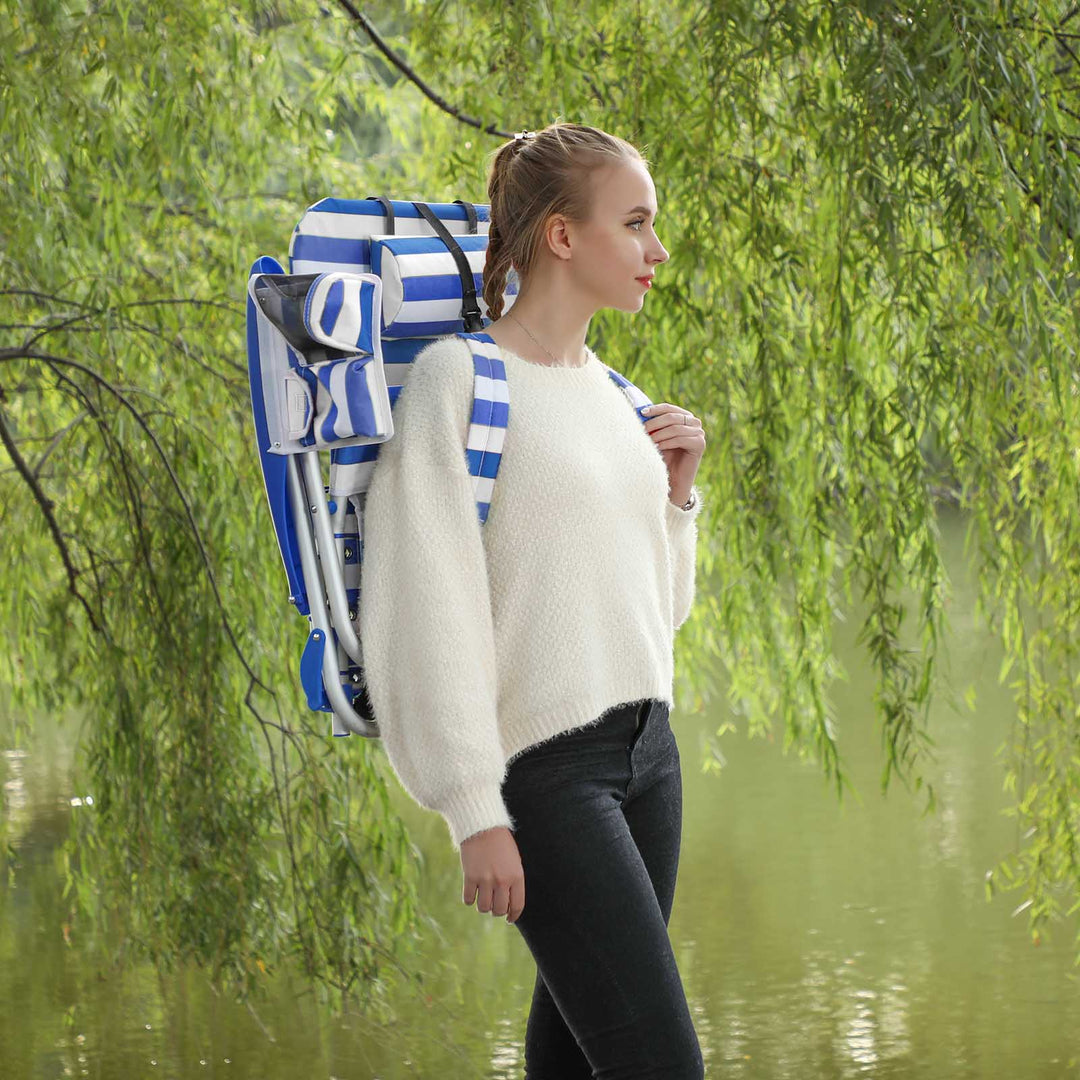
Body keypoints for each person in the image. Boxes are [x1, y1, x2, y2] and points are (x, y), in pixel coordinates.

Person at [359, 121, 707, 1078]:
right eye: (635, 223)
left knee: (578, 1059)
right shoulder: (459, 385)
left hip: (651, 756)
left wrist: (676, 495)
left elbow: (657, 612)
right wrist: (475, 810)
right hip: (549, 777)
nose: (656, 249)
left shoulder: (619, 395)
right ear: (561, 236)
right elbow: (425, 611)